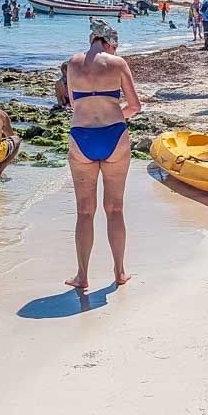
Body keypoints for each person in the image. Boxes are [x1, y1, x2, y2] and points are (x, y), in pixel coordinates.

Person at [65, 22, 142, 290]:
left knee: (85, 211)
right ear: (110, 43)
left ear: (91, 40)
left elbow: (75, 103)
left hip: (82, 136)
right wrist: (115, 112)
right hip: (114, 137)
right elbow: (135, 106)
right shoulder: (118, 64)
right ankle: (119, 272)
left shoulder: (73, 64)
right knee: (115, 209)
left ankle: (82, 276)